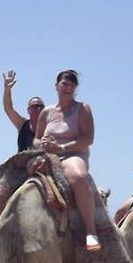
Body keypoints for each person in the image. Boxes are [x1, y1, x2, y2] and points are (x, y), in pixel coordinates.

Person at [34, 70, 101, 251]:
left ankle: (90, 231)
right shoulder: (46, 112)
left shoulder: (82, 109)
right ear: (56, 85)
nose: (69, 87)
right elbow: (36, 138)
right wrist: (43, 144)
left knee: (79, 177)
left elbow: (88, 139)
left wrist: (61, 148)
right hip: (47, 156)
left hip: (73, 155)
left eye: (72, 85)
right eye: (65, 83)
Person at [0, 70, 46, 211]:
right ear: (29, 110)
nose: (37, 108)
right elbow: (8, 108)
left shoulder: (50, 128)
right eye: (34, 106)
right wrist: (7, 89)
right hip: (17, 170)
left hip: (40, 171)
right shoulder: (22, 125)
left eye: (40, 106)